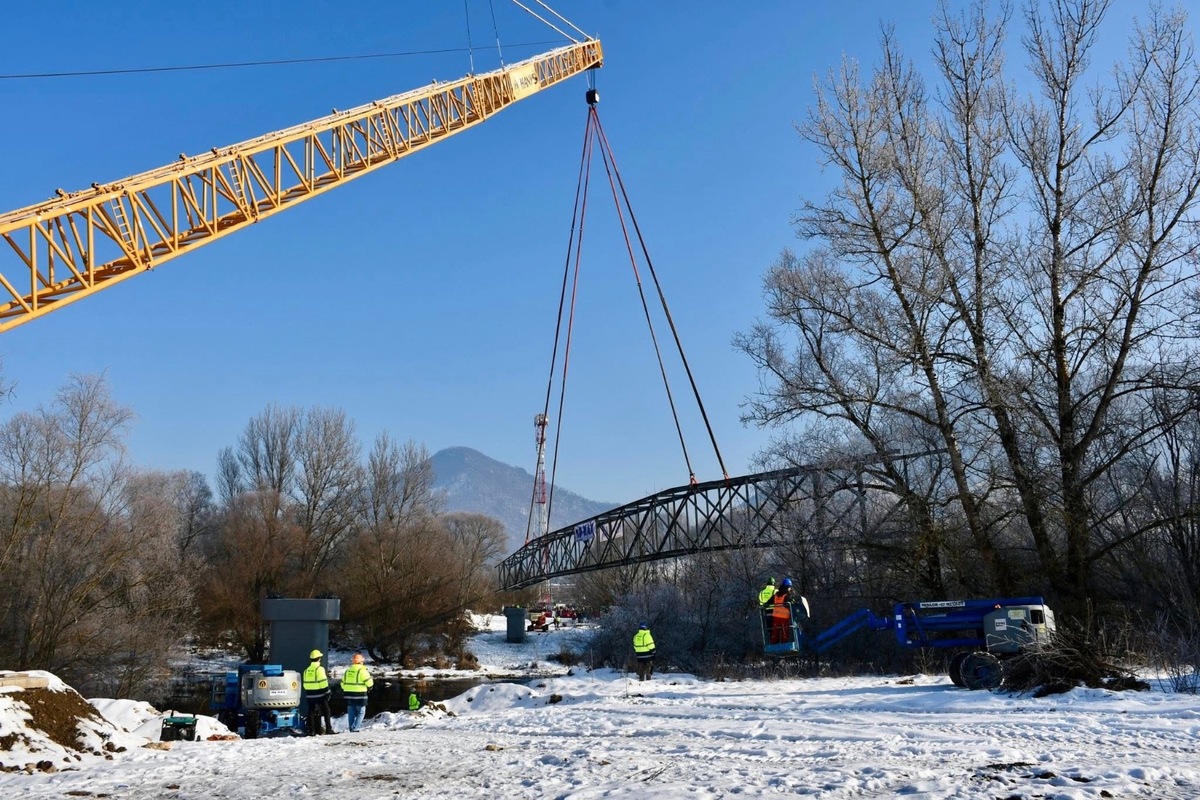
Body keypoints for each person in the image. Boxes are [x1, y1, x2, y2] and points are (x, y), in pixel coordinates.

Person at [302, 649, 334, 735]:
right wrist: (327, 692)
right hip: (320, 694)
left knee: (311, 711)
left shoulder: (306, 670)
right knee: (327, 710)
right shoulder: (320, 669)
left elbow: (304, 684)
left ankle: (312, 730)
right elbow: (323, 682)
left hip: (309, 695)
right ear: (319, 658)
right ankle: (328, 729)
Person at [341, 652, 374, 732]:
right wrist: (369, 688)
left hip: (348, 695)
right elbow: (370, 683)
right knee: (361, 712)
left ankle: (351, 728)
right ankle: (355, 728)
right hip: (360, 695)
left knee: (351, 713)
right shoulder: (363, 671)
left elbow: (342, 684)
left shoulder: (348, 671)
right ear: (361, 662)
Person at [771, 578, 795, 645]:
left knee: (775, 633)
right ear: (788, 587)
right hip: (784, 618)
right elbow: (790, 605)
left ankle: (774, 646)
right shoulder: (786, 596)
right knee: (785, 633)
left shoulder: (775, 595)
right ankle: (784, 647)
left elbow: (768, 602)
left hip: (775, 617)